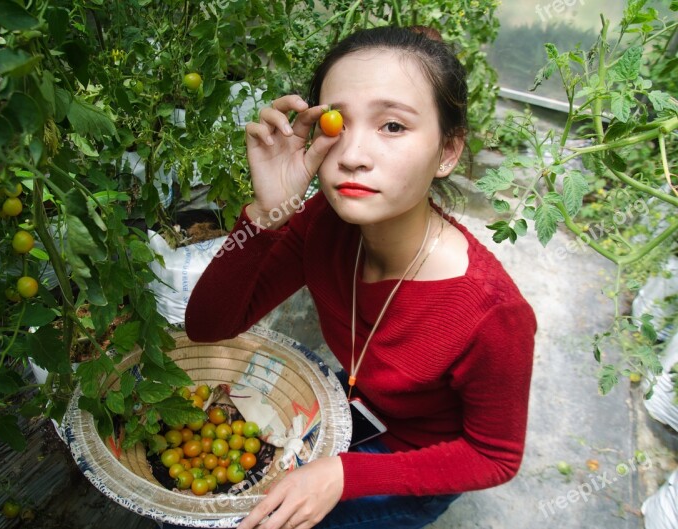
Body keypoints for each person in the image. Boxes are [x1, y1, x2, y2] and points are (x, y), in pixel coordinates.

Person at [184, 25, 536, 529]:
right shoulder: (321, 225)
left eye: (393, 126)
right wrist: (266, 214)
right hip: (351, 404)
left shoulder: (492, 315)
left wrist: (346, 476)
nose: (352, 155)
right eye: (336, 123)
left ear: (449, 151)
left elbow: (494, 457)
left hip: (415, 460)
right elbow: (208, 326)